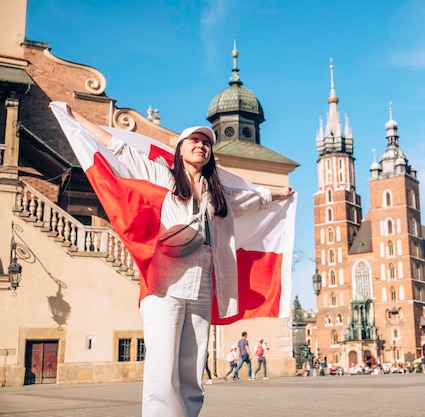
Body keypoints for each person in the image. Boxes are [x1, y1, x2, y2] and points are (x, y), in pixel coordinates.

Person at [65, 107, 293, 416]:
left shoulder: (219, 192)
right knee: (162, 363)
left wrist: (281, 193)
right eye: (194, 141)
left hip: (203, 282)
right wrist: (79, 119)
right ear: (180, 150)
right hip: (166, 283)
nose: (201, 146)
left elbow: (252, 197)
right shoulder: (164, 176)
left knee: (192, 366)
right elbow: (122, 150)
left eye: (206, 143)